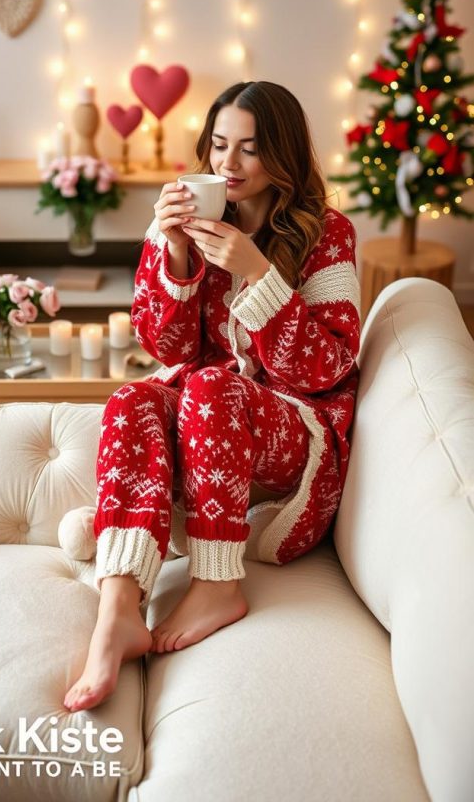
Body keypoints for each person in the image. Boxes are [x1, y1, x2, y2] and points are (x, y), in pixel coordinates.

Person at [64, 80, 361, 712]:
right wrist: (173, 251)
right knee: (133, 400)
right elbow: (165, 347)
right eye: (219, 145)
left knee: (209, 386)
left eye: (250, 150)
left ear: (283, 155)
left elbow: (329, 367)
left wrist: (257, 271)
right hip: (209, 418)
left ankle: (218, 584)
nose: (228, 164)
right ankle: (118, 606)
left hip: (295, 440)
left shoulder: (329, 234)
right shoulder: (187, 217)